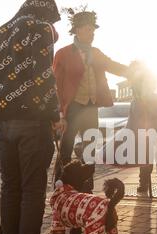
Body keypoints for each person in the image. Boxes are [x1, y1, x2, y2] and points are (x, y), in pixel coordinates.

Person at [0, 0, 62, 234]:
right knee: (32, 190)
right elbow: (44, 77)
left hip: (4, 120)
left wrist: (1, 112)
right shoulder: (39, 28)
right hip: (33, 120)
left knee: (10, 189)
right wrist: (55, 115)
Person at [53, 9, 129, 193]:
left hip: (90, 108)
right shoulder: (63, 54)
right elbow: (55, 87)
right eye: (88, 29)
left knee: (90, 150)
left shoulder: (96, 52)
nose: (92, 33)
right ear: (77, 30)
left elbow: (113, 66)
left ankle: (87, 189)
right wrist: (60, 115)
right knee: (66, 150)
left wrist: (134, 70)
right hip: (72, 108)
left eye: (93, 30)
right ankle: (60, 189)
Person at [126, 62, 157, 194]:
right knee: (146, 160)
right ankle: (147, 182)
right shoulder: (136, 102)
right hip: (146, 134)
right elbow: (132, 122)